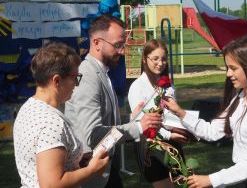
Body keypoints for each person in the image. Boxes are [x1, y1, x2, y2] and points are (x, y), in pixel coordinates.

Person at [163, 35, 247, 188]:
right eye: (227, 67)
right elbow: (212, 131)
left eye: (233, 68)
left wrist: (211, 179)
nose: (228, 74)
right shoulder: (240, 96)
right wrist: (180, 112)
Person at [64, 14, 162, 188]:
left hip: (106, 169)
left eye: (123, 45)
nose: (122, 51)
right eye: (117, 45)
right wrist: (138, 127)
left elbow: (105, 123)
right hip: (92, 176)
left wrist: (130, 119)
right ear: (96, 43)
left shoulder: (101, 72)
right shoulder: (87, 76)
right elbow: (94, 135)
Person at [13, 42, 110, 187]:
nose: (77, 84)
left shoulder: (28, 107)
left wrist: (76, 160)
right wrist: (92, 169)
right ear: (57, 80)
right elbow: (52, 184)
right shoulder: (50, 123)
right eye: (75, 78)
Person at [128, 39, 188, 188]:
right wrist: (169, 135)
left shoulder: (168, 85)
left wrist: (183, 129)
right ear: (144, 59)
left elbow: (172, 114)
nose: (160, 63)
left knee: (182, 184)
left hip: (173, 143)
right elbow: (142, 124)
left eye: (163, 59)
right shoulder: (137, 87)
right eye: (155, 59)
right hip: (151, 148)